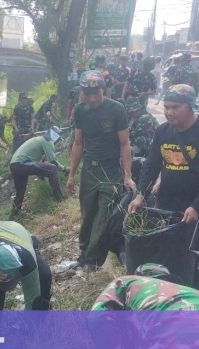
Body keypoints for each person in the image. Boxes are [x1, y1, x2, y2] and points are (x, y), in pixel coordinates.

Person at [128, 84, 199, 285]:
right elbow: (151, 165)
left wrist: (197, 206)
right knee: (165, 256)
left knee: (188, 262)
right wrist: (140, 195)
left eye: (175, 107)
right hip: (166, 206)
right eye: (166, 107)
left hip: (195, 211)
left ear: (190, 106)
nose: (169, 112)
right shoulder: (163, 131)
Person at [67, 70, 136, 270]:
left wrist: (127, 176)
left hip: (110, 169)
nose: (93, 98)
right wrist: (71, 175)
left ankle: (93, 261)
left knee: (103, 217)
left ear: (103, 90)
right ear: (82, 93)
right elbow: (78, 143)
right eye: (88, 94)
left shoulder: (116, 109)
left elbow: (125, 144)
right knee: (88, 213)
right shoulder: (81, 110)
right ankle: (83, 254)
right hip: (89, 169)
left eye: (96, 93)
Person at [9, 133, 66, 216]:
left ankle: (14, 215)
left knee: (20, 191)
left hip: (14, 164)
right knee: (52, 169)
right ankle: (59, 199)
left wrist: (41, 174)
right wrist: (65, 169)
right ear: (55, 138)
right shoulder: (47, 141)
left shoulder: (38, 139)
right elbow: (53, 161)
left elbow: (39, 163)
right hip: (22, 163)